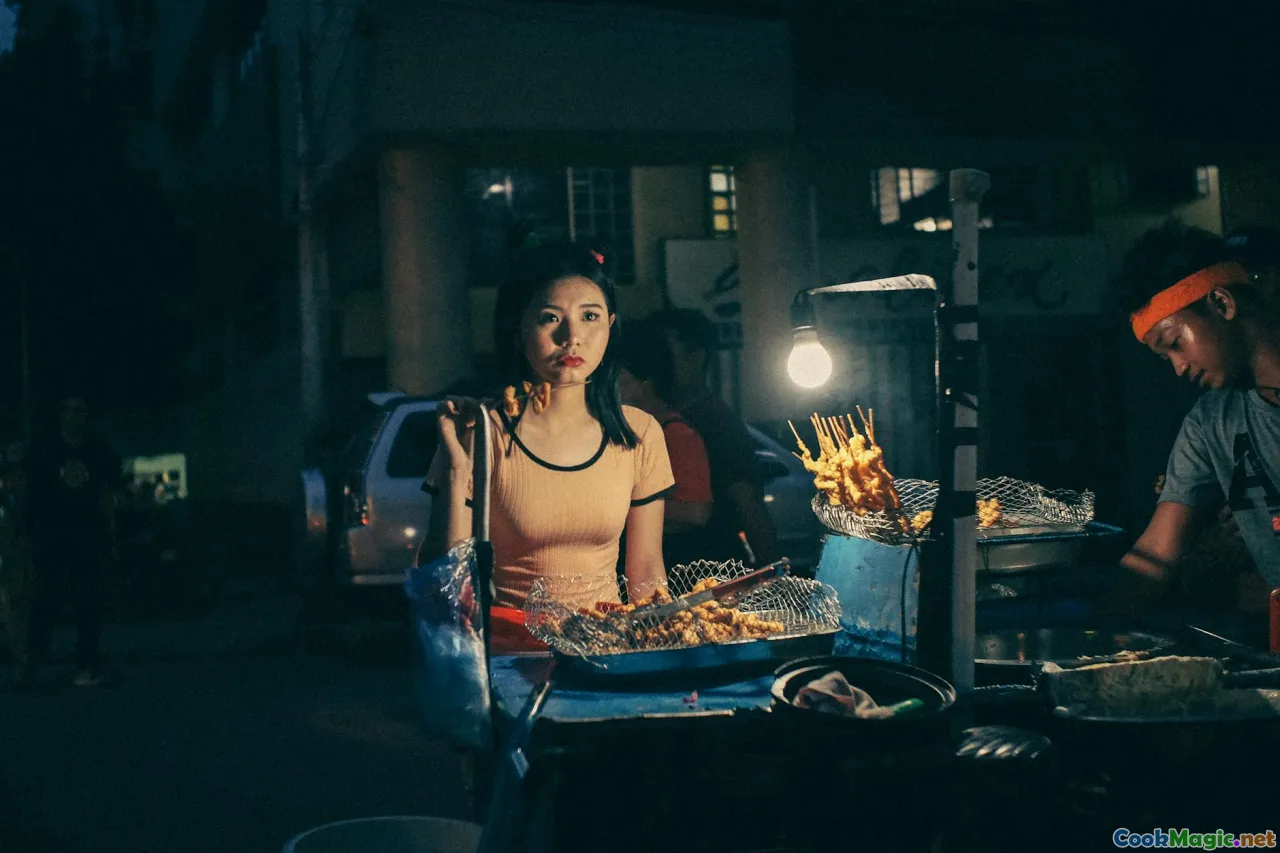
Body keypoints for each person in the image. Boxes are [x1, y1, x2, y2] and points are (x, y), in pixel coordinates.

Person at [421, 240, 674, 652]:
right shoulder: (481, 430)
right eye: (549, 318)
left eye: (589, 316)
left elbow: (645, 571)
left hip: (606, 652)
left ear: (611, 325)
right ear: (518, 328)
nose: (571, 337)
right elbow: (445, 580)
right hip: (513, 656)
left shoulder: (639, 433)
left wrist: (661, 651)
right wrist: (455, 471)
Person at [1114, 221, 1280, 623]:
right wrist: (1090, 643)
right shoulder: (1210, 423)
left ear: (1222, 304)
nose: (1178, 367)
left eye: (1175, 344)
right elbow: (1155, 555)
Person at [647, 307, 780, 566]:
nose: (657, 365)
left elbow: (750, 505)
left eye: (666, 355)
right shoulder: (654, 419)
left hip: (709, 571)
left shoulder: (716, 422)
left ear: (697, 357)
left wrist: (774, 579)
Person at [24, 394, 121, 687]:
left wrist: (109, 534)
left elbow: (106, 493)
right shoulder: (45, 449)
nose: (74, 415)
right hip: (52, 535)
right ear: (60, 414)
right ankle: (35, 660)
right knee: (45, 597)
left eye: (80, 410)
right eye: (68, 409)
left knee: (87, 600)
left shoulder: (97, 450)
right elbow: (32, 491)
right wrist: (31, 532)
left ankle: (86, 663)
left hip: (86, 534)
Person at [616, 320, 715, 568]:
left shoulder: (676, 435)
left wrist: (619, 506)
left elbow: (696, 512)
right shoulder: (627, 433)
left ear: (644, 379)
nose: (612, 388)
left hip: (677, 571)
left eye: (619, 378)